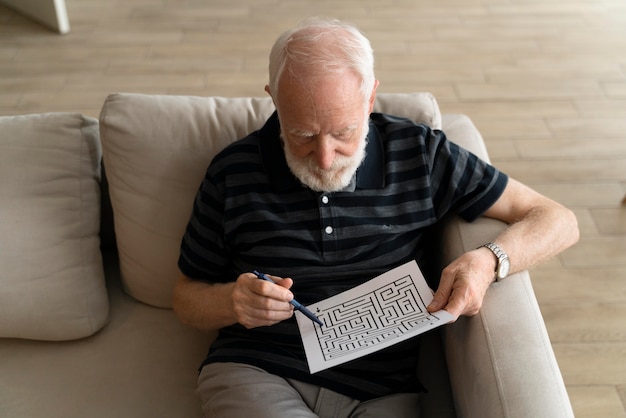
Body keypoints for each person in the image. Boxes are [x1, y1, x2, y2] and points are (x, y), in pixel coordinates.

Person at [173, 17, 579, 418]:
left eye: (343, 132)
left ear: (370, 100)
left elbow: (557, 219)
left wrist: (488, 260)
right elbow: (185, 296)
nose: (326, 158)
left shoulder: (419, 153)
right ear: (274, 100)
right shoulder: (233, 171)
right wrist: (232, 302)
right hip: (259, 371)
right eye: (302, 135)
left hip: (383, 392)